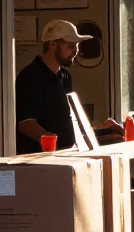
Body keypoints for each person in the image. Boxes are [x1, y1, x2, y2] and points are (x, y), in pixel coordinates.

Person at [15, 20, 92, 154]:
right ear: (53, 45)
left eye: (77, 45)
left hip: (66, 153)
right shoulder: (30, 76)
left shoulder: (65, 76)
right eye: (70, 45)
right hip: (38, 158)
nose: (76, 50)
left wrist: (98, 128)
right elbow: (26, 124)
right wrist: (51, 145)